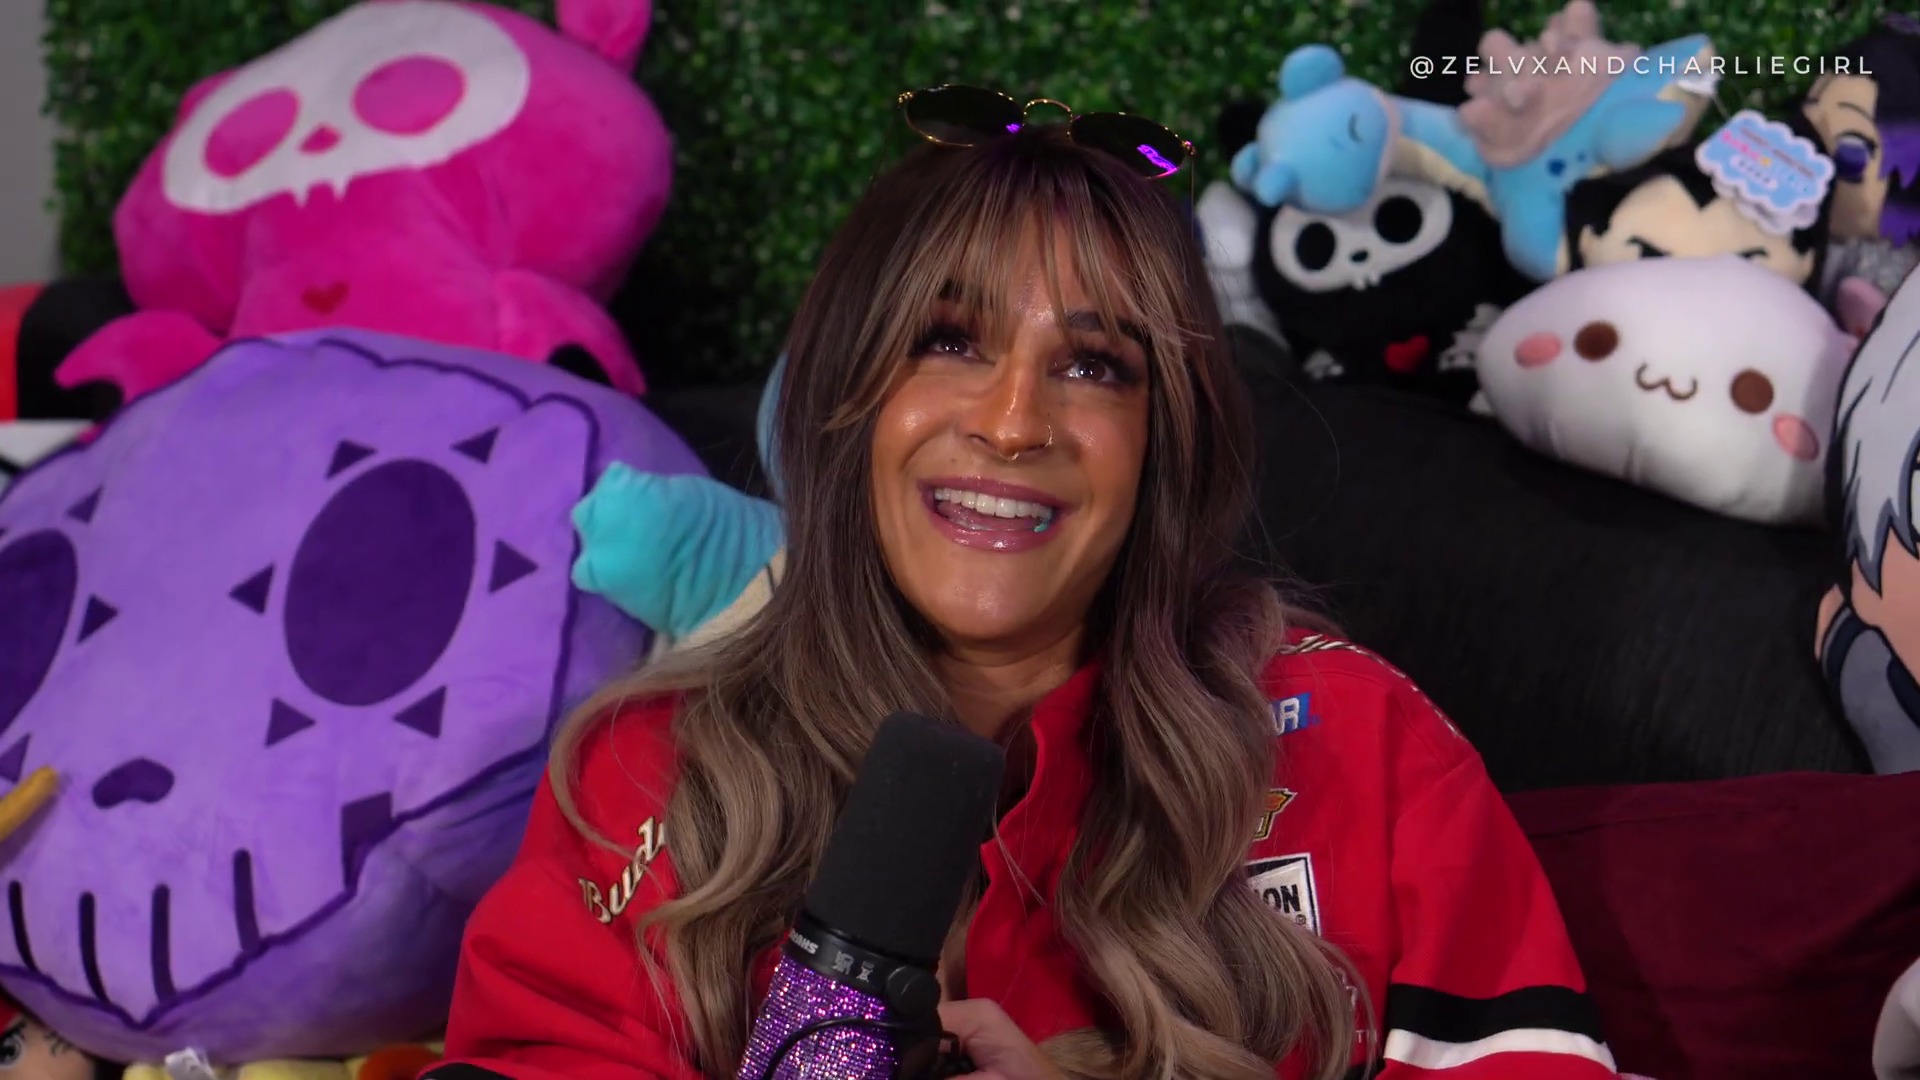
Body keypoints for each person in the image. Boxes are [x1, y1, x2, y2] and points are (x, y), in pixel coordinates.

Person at [433, 90, 1617, 1080]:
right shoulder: (651, 768)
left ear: (1164, 445)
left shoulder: (1357, 743)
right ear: (846, 401)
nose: (1012, 423)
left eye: (1093, 365)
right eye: (950, 341)